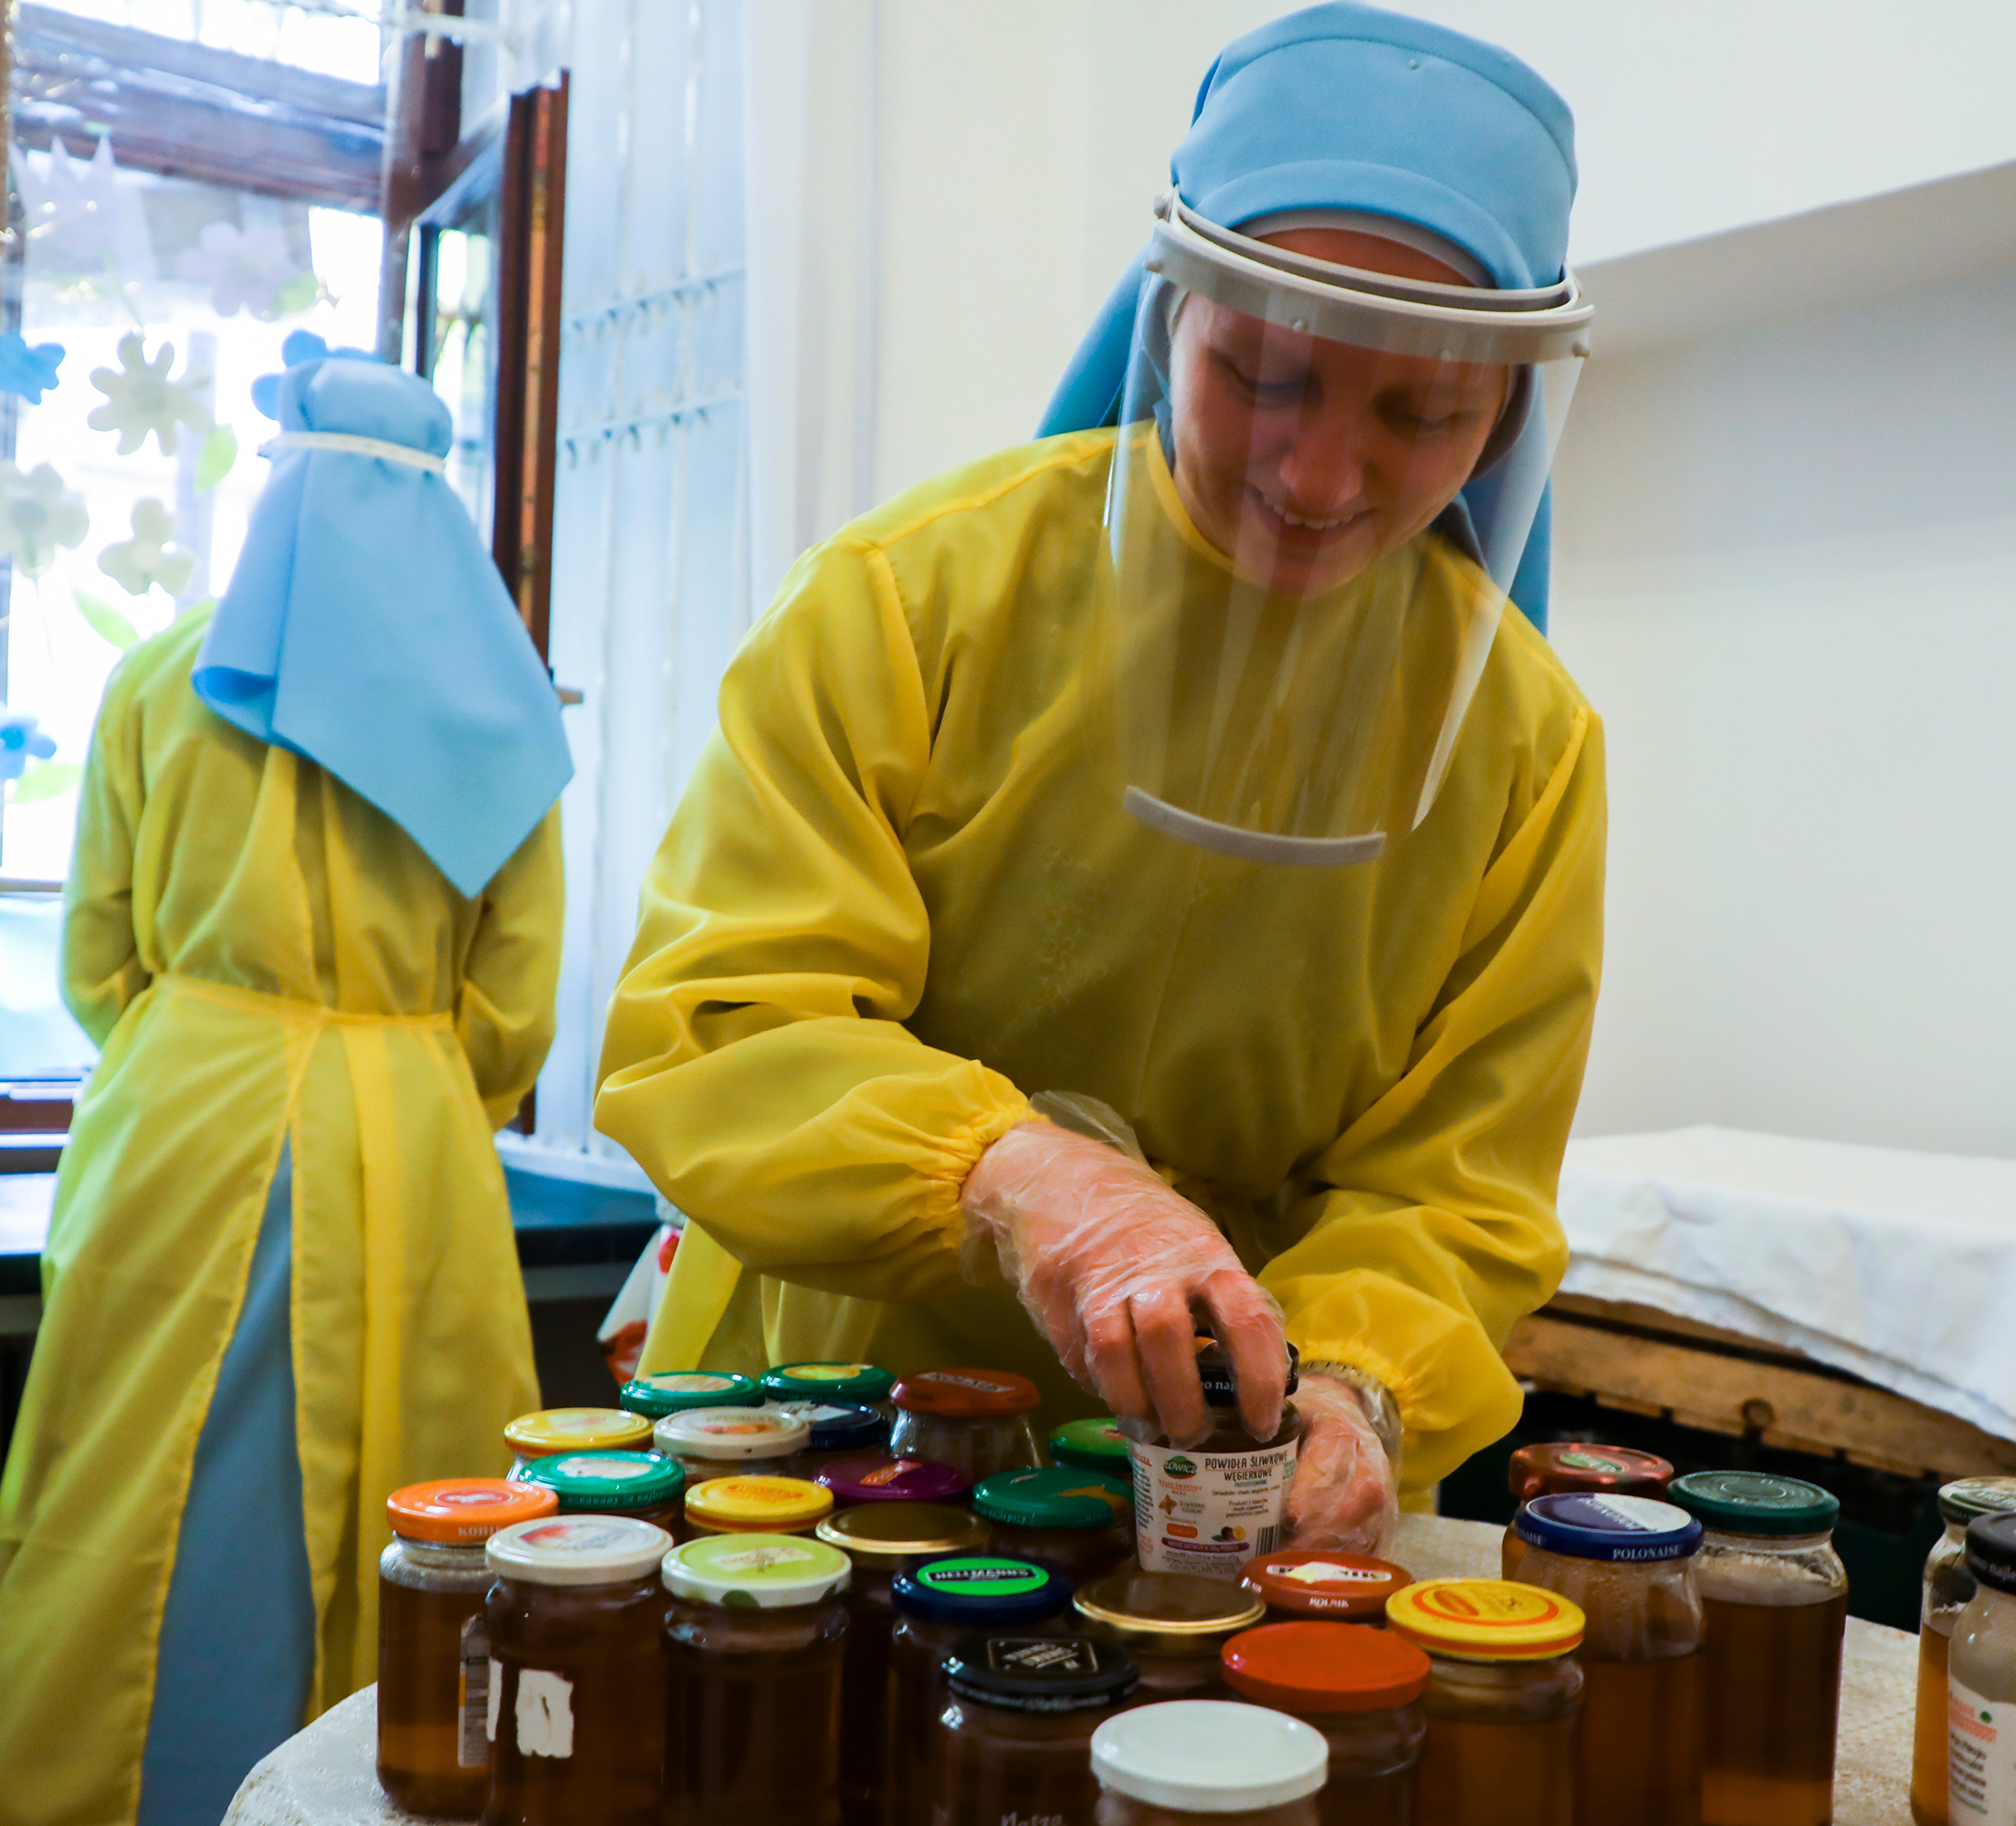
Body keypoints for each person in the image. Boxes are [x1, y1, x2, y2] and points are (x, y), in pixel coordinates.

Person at [595, 3, 1601, 1549]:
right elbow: (723, 1027)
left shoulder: (1527, 749)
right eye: (1266, 378)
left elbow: (1457, 1193)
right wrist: (1021, 1177)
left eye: (1422, 413)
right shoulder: (909, 599)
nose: (1322, 478)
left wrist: (1358, 1383)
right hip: (836, 1420)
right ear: (1172, 318)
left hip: (1227, 1476)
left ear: (1510, 415)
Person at [0, 341, 570, 1826]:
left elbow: (97, 965)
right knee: (429, 1532)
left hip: (184, 1126)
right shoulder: (507, 709)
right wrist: (406, 1076)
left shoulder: (160, 680)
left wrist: (208, 1056)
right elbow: (515, 1012)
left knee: (122, 1509)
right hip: (415, 1139)